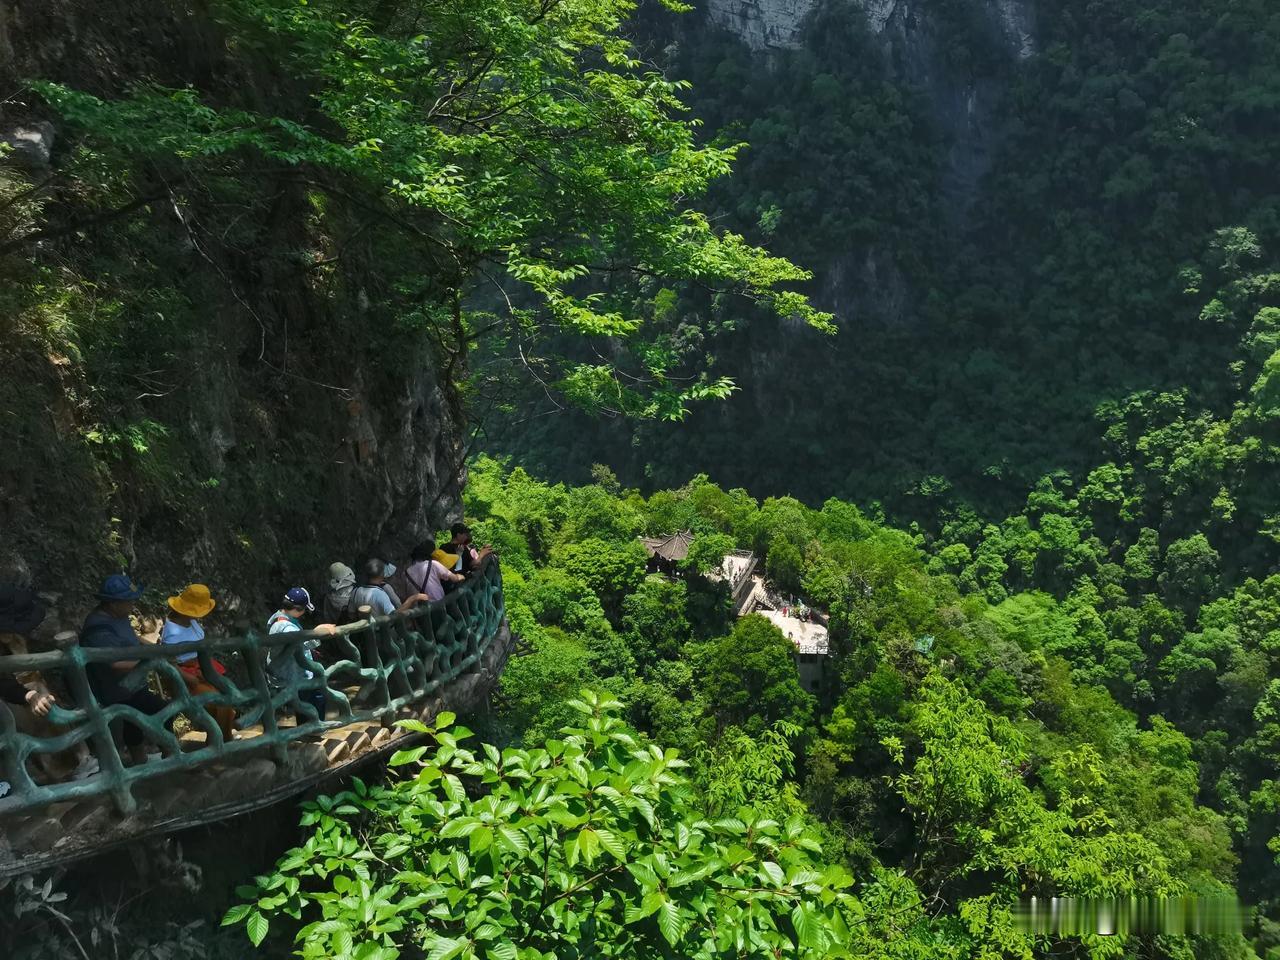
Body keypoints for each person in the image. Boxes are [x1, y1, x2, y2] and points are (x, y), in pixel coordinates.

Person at [0, 584, 98, 782]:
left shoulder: (15, 639)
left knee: (50, 716)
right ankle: (54, 774)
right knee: (28, 730)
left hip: (29, 690)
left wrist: (33, 692)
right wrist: (27, 695)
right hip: (14, 699)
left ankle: (80, 759)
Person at [79, 574, 174, 766]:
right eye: (128, 601)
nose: (133, 604)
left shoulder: (119, 616)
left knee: (133, 720)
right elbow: (114, 664)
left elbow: (133, 638)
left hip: (133, 683)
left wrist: (153, 648)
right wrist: (148, 660)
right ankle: (170, 752)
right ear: (113, 603)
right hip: (116, 687)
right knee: (163, 709)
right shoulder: (98, 628)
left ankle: (140, 758)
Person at [161, 583, 236, 743]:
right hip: (184, 676)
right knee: (217, 701)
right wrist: (190, 679)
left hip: (202, 668)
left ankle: (223, 738)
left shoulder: (191, 621)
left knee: (227, 695)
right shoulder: (172, 633)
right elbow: (171, 664)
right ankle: (217, 742)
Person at [266, 588, 337, 725]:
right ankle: (313, 728)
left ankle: (308, 728)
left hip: (286, 670)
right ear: (298, 609)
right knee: (316, 695)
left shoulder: (277, 617)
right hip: (291, 674)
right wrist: (317, 632)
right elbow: (302, 643)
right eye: (304, 609)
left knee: (308, 697)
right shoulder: (286, 628)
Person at [350, 559, 429, 617]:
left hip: (364, 634)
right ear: (382, 574)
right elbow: (394, 615)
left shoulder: (356, 591)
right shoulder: (380, 594)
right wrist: (412, 598)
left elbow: (351, 614)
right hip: (383, 634)